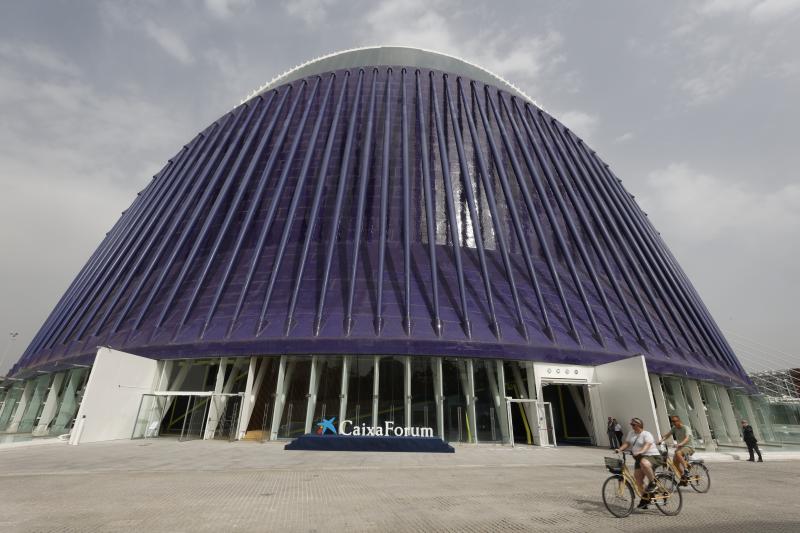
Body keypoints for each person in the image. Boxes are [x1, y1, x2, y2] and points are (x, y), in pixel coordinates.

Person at [616, 417, 664, 509]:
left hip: (652, 456)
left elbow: (647, 445)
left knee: (644, 463)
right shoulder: (631, 433)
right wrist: (619, 449)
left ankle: (653, 483)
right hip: (640, 458)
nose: (632, 426)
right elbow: (627, 443)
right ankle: (646, 499)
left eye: (633, 425)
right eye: (631, 424)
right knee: (638, 480)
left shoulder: (646, 434)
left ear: (639, 425)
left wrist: (640, 451)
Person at [658, 415, 695, 485]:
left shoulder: (686, 428)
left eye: (675, 421)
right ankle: (684, 479)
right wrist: (661, 441)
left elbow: (687, 438)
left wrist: (680, 444)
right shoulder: (674, 428)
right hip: (680, 448)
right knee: (675, 464)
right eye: (672, 421)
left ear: (679, 421)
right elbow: (667, 435)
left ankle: (686, 469)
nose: (674, 423)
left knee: (678, 453)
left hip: (689, 447)